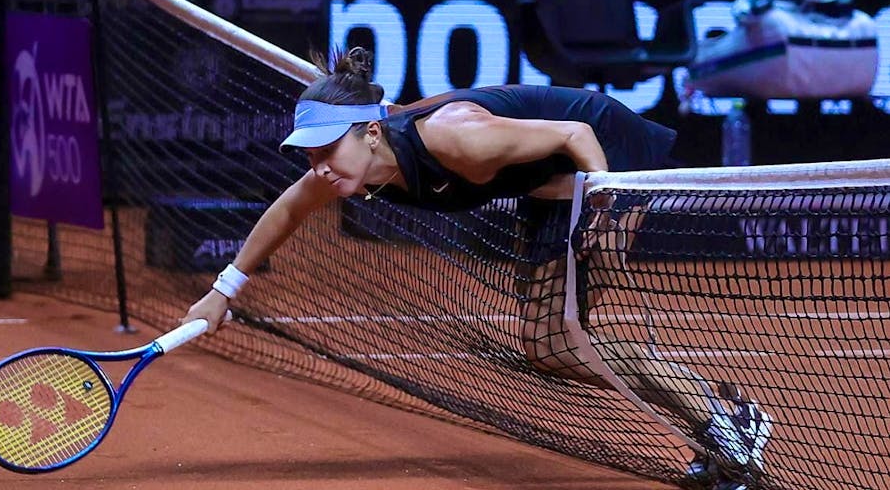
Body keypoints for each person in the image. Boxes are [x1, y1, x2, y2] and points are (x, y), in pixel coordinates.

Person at [181, 46, 772, 490]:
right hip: (544, 181)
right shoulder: (348, 166)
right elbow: (287, 210)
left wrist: (601, 214)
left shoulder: (458, 140)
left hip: (599, 158)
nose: (318, 167)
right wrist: (224, 290)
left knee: (568, 335)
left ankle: (726, 424)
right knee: (548, 346)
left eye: (326, 150)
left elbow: (576, 132)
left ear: (368, 131)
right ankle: (721, 419)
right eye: (308, 154)